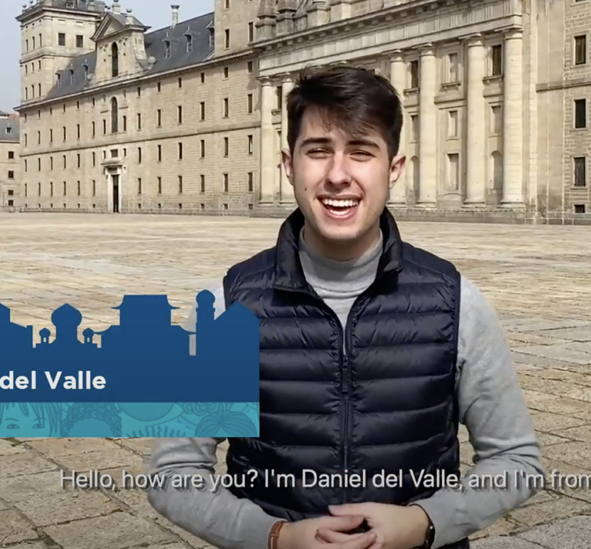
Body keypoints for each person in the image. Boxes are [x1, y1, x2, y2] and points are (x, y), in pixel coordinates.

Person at [146, 67, 542, 549]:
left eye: (361, 151)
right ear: (289, 165)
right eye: (318, 151)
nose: (338, 175)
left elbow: (516, 463)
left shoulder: (456, 301)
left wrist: (424, 522)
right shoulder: (227, 307)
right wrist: (276, 537)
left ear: (393, 168)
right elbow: (174, 473)